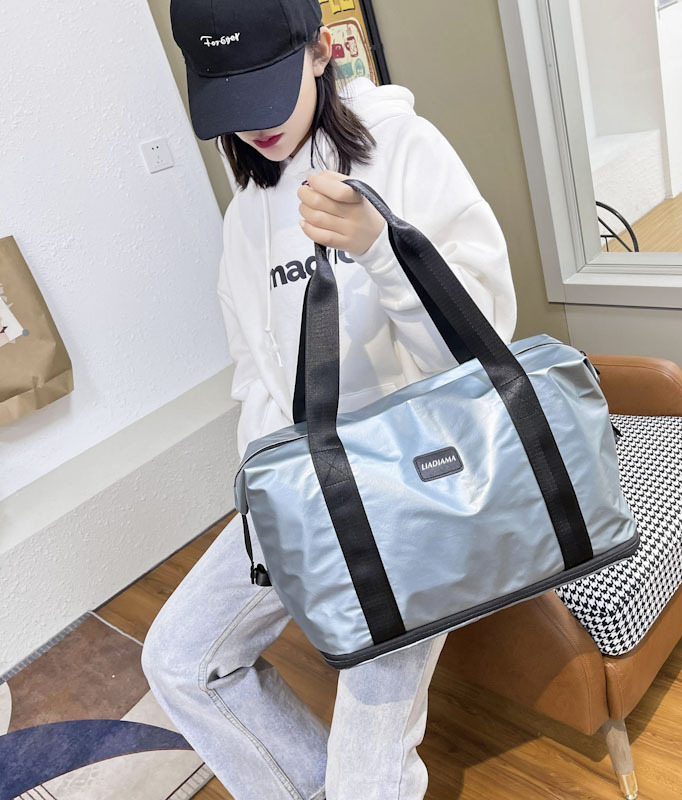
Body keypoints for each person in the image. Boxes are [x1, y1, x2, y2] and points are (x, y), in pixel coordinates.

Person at [141, 1, 517, 798]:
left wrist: (384, 250)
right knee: (178, 660)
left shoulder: (403, 148)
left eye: (268, 87)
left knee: (366, 778)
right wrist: (267, 499)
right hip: (305, 490)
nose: (255, 124)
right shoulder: (244, 218)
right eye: (232, 99)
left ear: (320, 52)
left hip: (416, 491)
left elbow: (483, 349)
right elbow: (254, 375)